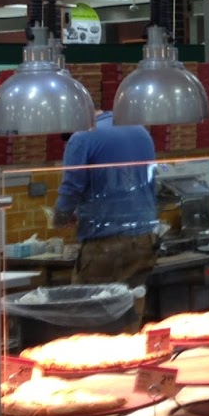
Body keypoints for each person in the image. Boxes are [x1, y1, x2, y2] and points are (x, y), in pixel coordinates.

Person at [52, 111, 162, 319]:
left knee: (89, 311)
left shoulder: (81, 137)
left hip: (106, 245)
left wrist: (60, 218)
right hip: (145, 239)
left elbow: (71, 188)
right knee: (131, 308)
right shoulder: (139, 130)